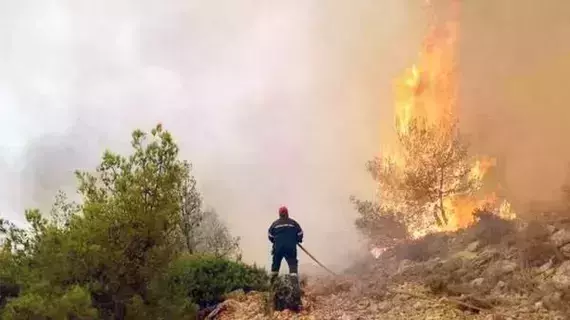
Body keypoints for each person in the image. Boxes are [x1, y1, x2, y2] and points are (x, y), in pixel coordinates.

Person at [268, 205, 303, 282]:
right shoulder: (293, 223)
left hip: (278, 248)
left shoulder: (275, 224)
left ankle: (272, 286)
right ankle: (294, 287)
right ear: (287, 213)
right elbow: (300, 233)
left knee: (275, 267)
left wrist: (275, 241)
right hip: (290, 248)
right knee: (293, 266)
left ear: (279, 214)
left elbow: (270, 235)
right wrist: (297, 240)